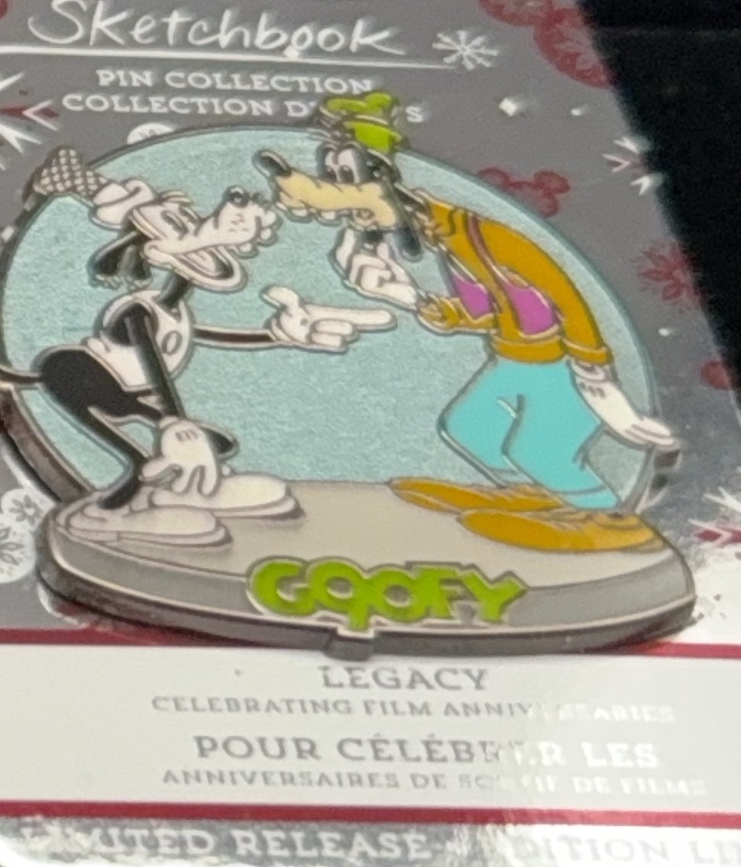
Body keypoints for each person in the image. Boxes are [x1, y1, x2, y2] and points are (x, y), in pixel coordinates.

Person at [261, 93, 678, 555]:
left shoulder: (486, 236)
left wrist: (593, 369)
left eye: (350, 182)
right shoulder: (450, 243)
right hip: (513, 358)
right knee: (469, 426)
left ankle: (612, 520)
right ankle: (532, 494)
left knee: (539, 451)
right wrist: (408, 296)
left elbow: (564, 295)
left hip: (561, 365)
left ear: (385, 180)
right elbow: (478, 311)